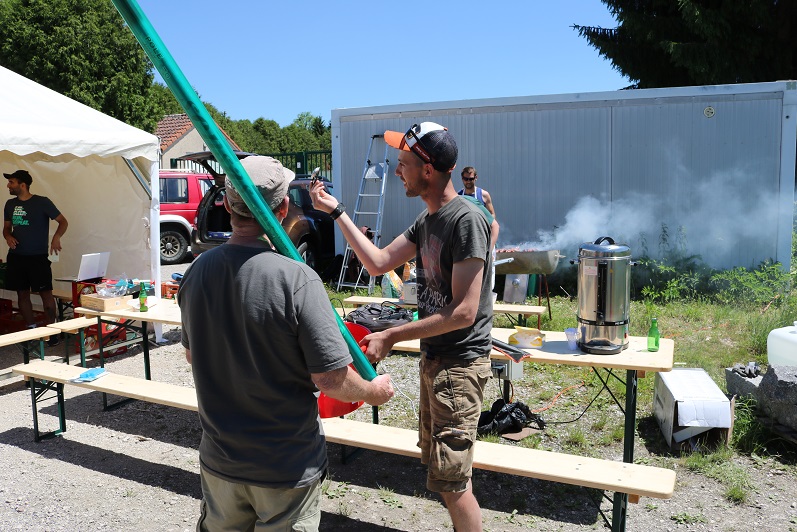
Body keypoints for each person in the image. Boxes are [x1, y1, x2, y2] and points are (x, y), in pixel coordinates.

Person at [177, 155, 394, 531]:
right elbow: (330, 379)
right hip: (284, 468)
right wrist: (373, 392)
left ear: (226, 205)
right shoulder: (298, 280)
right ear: (282, 209)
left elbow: (193, 356)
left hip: (220, 462)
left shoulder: (196, 272)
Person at [311, 122, 493, 532]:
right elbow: (378, 262)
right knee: (441, 471)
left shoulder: (465, 220)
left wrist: (392, 334)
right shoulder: (427, 220)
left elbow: (465, 311)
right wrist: (337, 212)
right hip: (436, 361)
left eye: (403, 163)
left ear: (427, 170)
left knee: (453, 481)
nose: (397, 171)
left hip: (460, 366)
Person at [3, 169, 67, 344]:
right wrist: (8, 237)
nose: (8, 185)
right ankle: (31, 330)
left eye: (11, 182)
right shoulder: (10, 204)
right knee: (22, 294)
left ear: (23, 185)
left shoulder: (42, 202)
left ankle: (52, 332)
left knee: (46, 294)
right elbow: (6, 228)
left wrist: (56, 237)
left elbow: (63, 221)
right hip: (16, 257)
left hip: (38, 257)